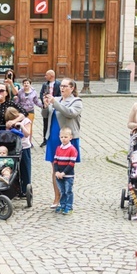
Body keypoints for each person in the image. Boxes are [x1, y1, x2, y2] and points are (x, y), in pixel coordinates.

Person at [42, 78, 82, 209]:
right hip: (54, 137)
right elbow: (45, 115)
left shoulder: (76, 101)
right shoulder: (57, 99)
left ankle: (67, 198)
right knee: (55, 168)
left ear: (72, 88)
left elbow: (69, 113)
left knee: (67, 168)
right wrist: (45, 106)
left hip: (68, 138)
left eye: (65, 86)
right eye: (61, 86)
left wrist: (54, 102)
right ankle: (57, 197)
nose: (62, 88)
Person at [5, 106, 32, 195]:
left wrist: (21, 126)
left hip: (24, 147)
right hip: (13, 147)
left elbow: (27, 134)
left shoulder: (25, 121)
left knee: (25, 168)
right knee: (14, 168)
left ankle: (25, 189)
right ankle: (15, 188)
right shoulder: (9, 122)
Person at [53, 127, 78, 215]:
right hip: (59, 175)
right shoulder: (58, 148)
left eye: (65, 137)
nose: (63, 139)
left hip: (68, 175)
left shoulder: (72, 149)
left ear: (70, 137)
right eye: (62, 137)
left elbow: (71, 164)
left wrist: (63, 173)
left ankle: (69, 207)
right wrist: (56, 172)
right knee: (62, 191)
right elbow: (55, 161)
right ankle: (62, 205)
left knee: (68, 191)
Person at [14, 78, 43, 146]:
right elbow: (17, 102)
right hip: (22, 112)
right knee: (21, 125)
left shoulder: (34, 92)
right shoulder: (20, 91)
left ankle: (29, 141)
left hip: (30, 111)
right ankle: (21, 140)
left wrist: (42, 106)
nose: (26, 84)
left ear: (30, 84)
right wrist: (15, 100)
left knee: (29, 126)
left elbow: (36, 101)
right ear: (23, 84)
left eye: (27, 83)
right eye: (24, 83)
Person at [39, 70, 61, 147]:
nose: (45, 77)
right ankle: (45, 139)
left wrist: (54, 100)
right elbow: (41, 93)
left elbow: (60, 95)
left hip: (55, 105)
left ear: (51, 76)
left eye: (46, 75)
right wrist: (44, 101)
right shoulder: (45, 84)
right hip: (47, 106)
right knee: (45, 122)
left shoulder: (58, 84)